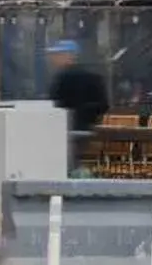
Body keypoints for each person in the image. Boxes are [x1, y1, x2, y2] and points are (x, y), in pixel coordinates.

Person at [45, 39, 107, 169]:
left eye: (58, 55)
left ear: (70, 56)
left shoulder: (62, 78)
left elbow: (53, 105)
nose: (54, 59)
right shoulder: (94, 77)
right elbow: (103, 105)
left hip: (66, 131)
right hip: (86, 130)